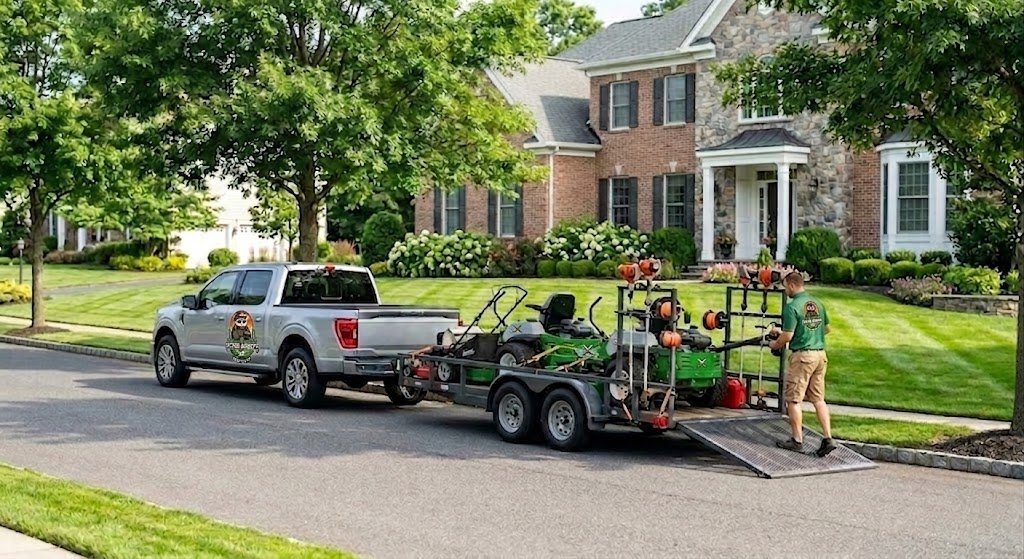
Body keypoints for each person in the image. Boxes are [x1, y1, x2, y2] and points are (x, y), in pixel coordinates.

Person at [769, 271, 837, 457]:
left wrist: (775, 343)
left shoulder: (792, 307)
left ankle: (797, 440)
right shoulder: (817, 303)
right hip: (820, 355)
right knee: (818, 399)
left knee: (793, 400)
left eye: (785, 286)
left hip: (803, 357)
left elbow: (788, 336)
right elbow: (826, 329)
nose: (785, 290)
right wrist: (806, 333)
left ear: (791, 285)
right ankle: (828, 438)